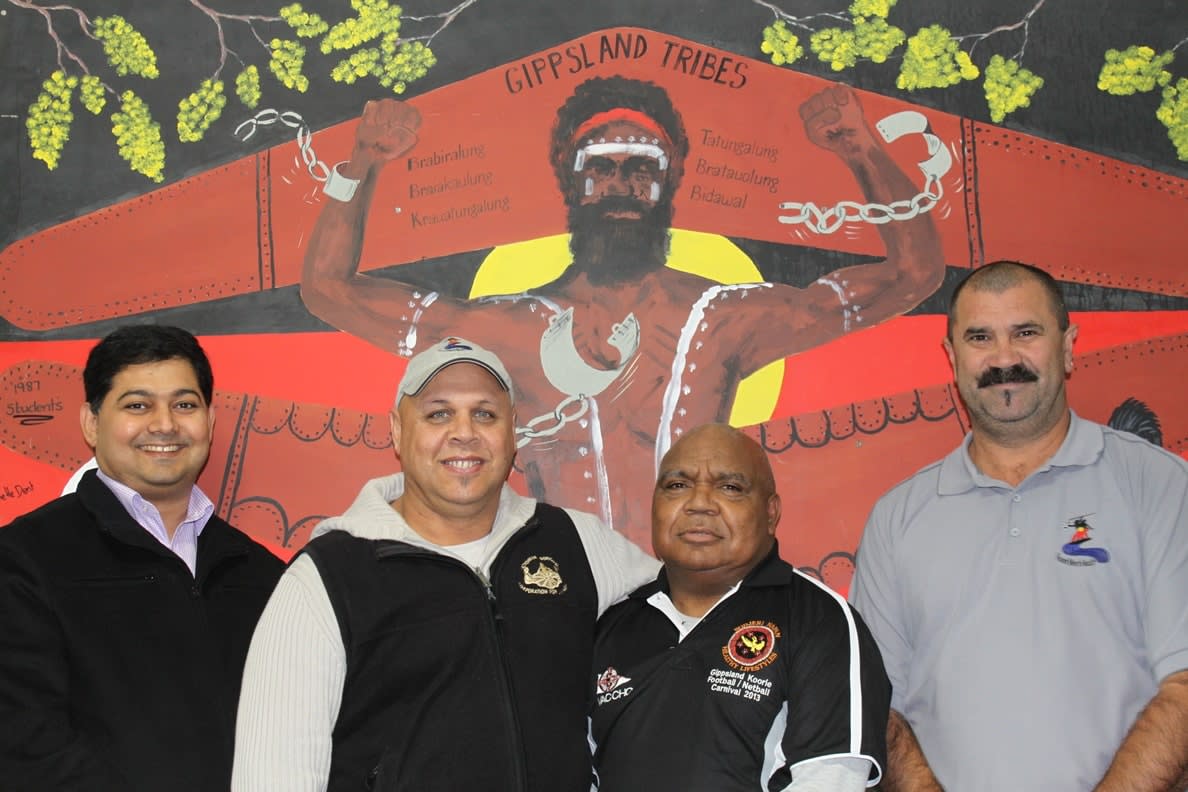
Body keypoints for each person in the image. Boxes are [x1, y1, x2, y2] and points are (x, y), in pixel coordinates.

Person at [301, 75, 945, 547]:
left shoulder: (721, 318)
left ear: (670, 181)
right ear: (569, 178)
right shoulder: (505, 328)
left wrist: (858, 147)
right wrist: (364, 161)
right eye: (599, 168)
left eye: (642, 168)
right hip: (560, 610)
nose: (620, 186)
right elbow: (328, 289)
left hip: (691, 614)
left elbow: (912, 276)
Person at [232, 336, 659, 791]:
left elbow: (692, 611)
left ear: (513, 432)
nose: (464, 432)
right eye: (438, 414)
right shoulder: (326, 578)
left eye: (485, 414)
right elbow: (271, 775)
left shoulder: (576, 542)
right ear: (397, 430)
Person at [849, 261, 1188, 792]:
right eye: (980, 337)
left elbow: (1183, 685)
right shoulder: (897, 517)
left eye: (1026, 333)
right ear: (952, 356)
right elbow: (874, 704)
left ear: (1068, 346)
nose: (1004, 358)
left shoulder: (1160, 484)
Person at [0, 325, 284, 791]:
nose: (165, 424)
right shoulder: (24, 559)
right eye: (137, 405)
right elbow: (24, 745)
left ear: (210, 421)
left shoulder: (263, 574)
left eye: (185, 405)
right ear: (91, 423)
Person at [590, 423, 890, 791]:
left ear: (770, 513)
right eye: (677, 485)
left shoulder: (819, 618)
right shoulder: (610, 625)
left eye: (730, 487)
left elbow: (831, 781)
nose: (699, 503)